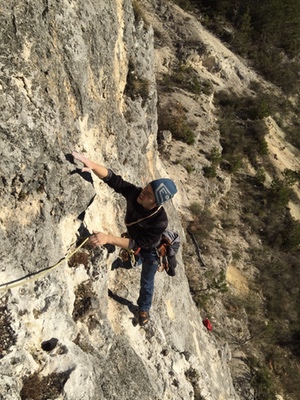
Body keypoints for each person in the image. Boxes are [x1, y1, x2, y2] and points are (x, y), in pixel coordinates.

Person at [72, 152, 177, 326]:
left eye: (150, 195)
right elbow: (115, 181)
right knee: (132, 262)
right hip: (137, 241)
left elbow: (137, 244)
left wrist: (107, 238)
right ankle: (132, 262)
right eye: (147, 187)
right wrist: (92, 164)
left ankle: (143, 309)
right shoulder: (136, 194)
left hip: (151, 250)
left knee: (146, 282)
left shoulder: (160, 222)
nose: (144, 193)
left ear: (156, 203)